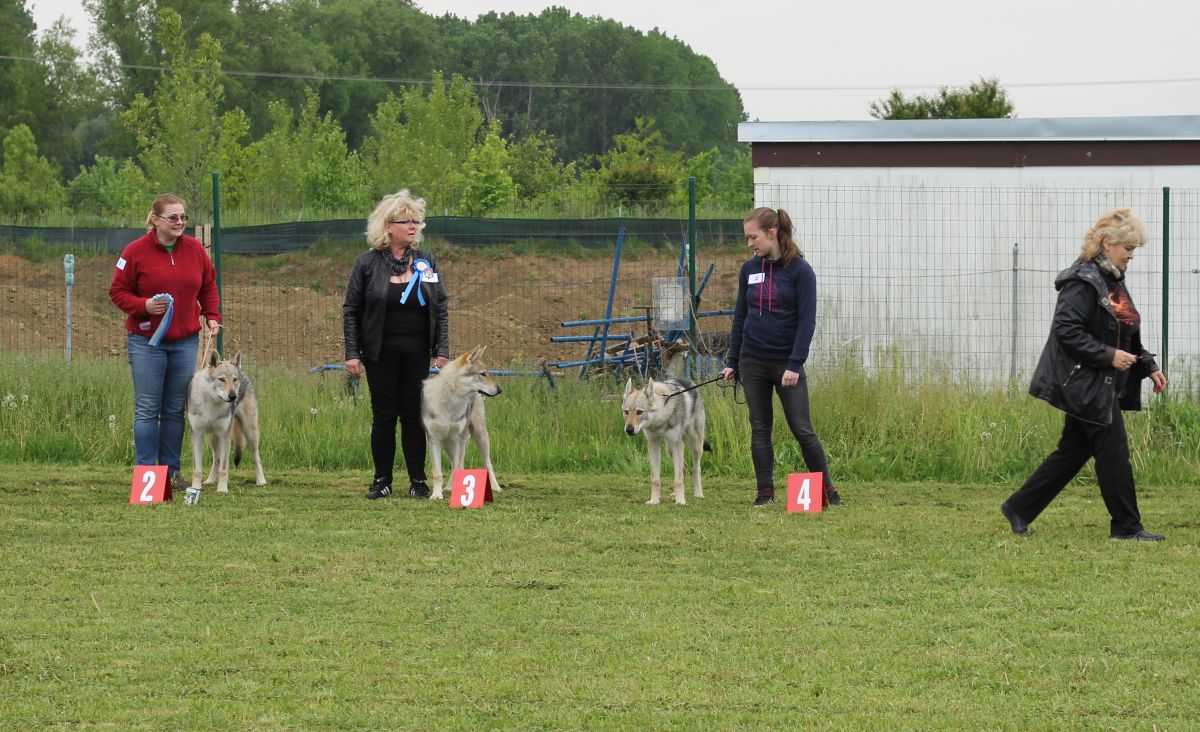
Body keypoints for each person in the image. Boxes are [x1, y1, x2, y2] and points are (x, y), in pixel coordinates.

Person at [1001, 208, 1169, 541]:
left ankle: (1019, 506)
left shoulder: (1111, 280)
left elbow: (1124, 333)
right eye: (1128, 249)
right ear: (1108, 243)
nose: (1132, 256)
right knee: (1114, 451)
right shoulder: (1083, 281)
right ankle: (1126, 527)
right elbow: (1066, 330)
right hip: (1087, 384)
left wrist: (1147, 364)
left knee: (1072, 452)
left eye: (1134, 249)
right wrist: (1108, 356)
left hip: (1099, 383)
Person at [721, 207, 842, 507]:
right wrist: (732, 361)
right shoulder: (749, 270)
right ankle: (765, 493)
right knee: (759, 427)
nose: (750, 244)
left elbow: (807, 322)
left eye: (753, 237)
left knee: (802, 428)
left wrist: (795, 364)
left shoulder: (801, 271)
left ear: (772, 233)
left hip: (786, 365)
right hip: (752, 361)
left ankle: (828, 491)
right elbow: (740, 316)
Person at [109, 194, 221, 490]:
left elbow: (208, 285)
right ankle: (146, 474)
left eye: (183, 217)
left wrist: (211, 316)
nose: (180, 222)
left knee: (174, 410)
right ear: (156, 220)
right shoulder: (134, 252)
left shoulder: (196, 250)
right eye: (173, 218)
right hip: (146, 342)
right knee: (147, 409)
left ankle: (171, 474)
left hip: (184, 342)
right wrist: (143, 306)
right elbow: (117, 292)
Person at [343, 189, 449, 500]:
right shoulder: (366, 263)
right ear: (388, 226)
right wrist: (352, 353)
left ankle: (418, 480)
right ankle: (382, 480)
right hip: (379, 353)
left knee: (414, 415)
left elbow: (440, 306)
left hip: (417, 352)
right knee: (384, 415)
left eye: (417, 221)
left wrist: (441, 349)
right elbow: (351, 310)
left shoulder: (426, 261)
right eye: (407, 221)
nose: (414, 226)